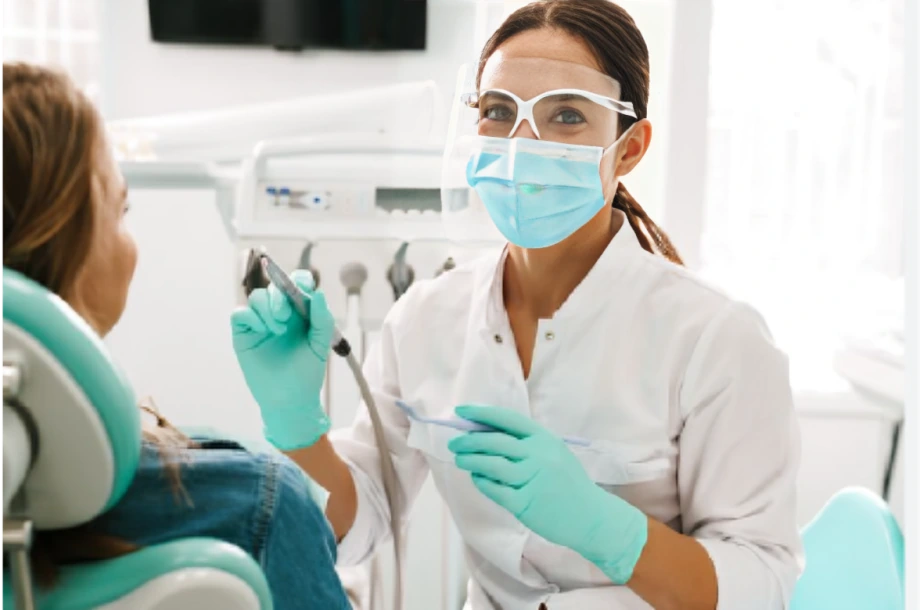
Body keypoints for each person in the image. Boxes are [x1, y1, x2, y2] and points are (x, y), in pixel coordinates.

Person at [232, 0, 804, 609]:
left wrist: (608, 530)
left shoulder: (715, 341)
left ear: (629, 148)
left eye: (565, 116)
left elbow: (760, 584)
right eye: (499, 112)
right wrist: (297, 424)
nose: (521, 145)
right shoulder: (425, 321)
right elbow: (362, 518)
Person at [1, 62, 351, 610]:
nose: (130, 243)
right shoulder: (256, 506)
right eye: (121, 210)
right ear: (63, 245)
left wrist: (296, 425)